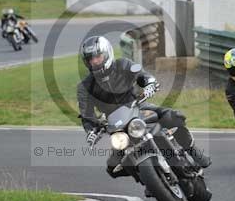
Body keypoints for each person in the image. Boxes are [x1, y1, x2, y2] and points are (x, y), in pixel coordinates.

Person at [77, 35, 211, 178]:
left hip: (138, 107)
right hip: (117, 126)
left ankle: (193, 151)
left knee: (172, 117)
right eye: (91, 59)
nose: (95, 61)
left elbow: (140, 73)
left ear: (107, 53)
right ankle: (148, 176)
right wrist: (91, 130)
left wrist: (149, 83)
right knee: (113, 167)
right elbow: (86, 113)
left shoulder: (123, 64)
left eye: (98, 56)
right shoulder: (85, 87)